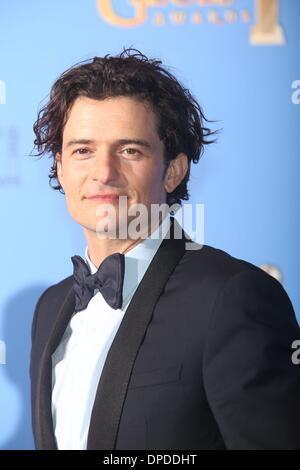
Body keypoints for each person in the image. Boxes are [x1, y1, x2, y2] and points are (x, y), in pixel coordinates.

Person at [30, 48, 300, 450]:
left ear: (173, 170)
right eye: (83, 150)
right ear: (61, 167)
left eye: (130, 150)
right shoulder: (50, 307)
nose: (103, 172)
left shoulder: (232, 298)